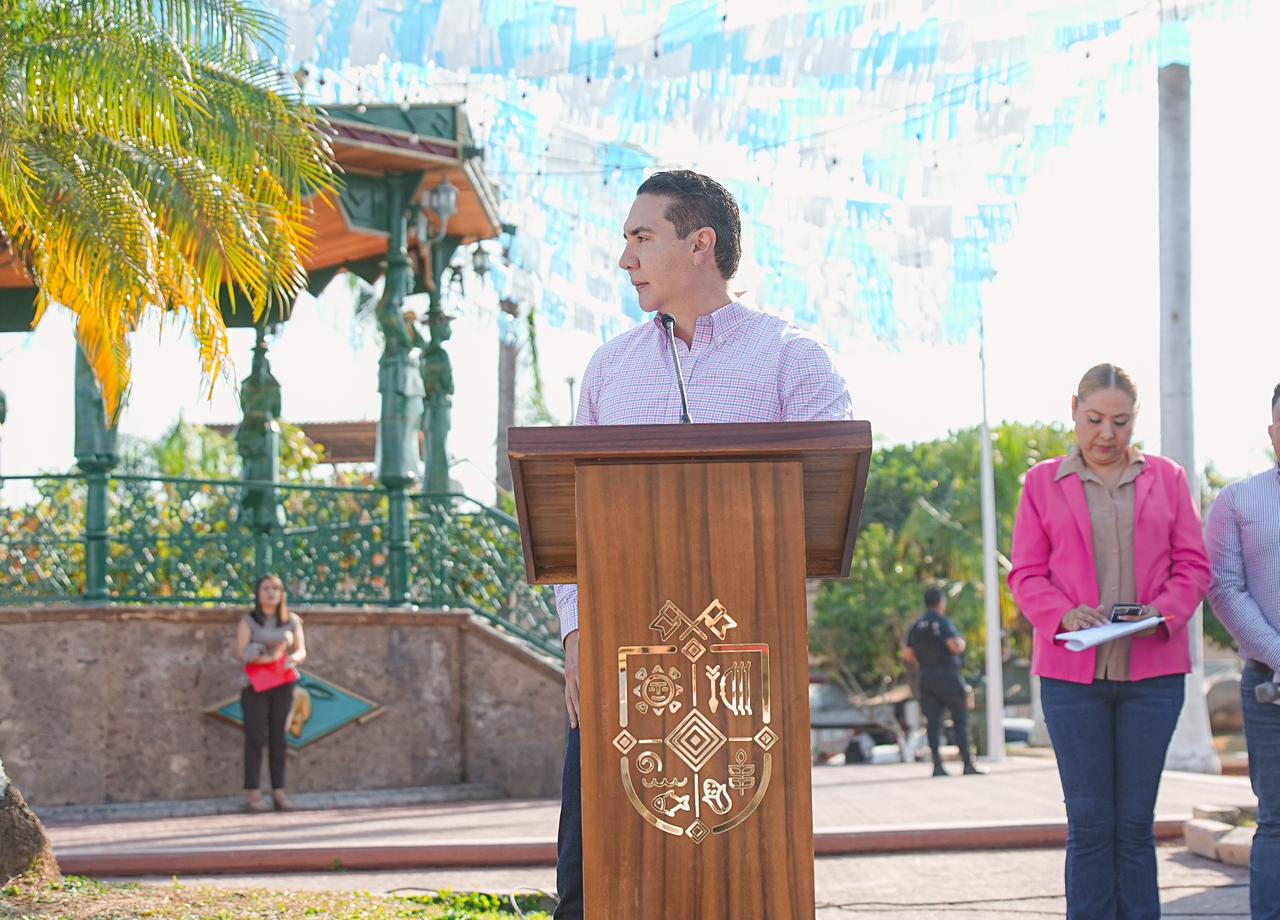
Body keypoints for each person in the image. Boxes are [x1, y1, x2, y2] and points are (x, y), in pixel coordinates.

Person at [550, 169, 852, 919]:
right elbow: (572, 523)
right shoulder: (609, 370)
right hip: (622, 663)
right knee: (591, 885)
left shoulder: (792, 359)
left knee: (742, 881)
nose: (625, 258)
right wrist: (577, 634)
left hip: (745, 671)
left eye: (641, 237)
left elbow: (829, 506)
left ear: (700, 244)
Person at [1009, 363, 1210, 920]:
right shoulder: (1042, 483)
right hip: (1073, 682)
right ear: (1074, 409)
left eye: (1120, 422)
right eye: (1095, 418)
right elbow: (1026, 573)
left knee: (1135, 825)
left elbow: (1194, 566)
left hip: (1153, 679)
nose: (1106, 433)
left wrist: (1160, 610)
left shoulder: (1168, 478)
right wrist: (1062, 613)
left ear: (1135, 419)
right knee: (1091, 823)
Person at [1205, 382, 1280, 920]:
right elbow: (1225, 588)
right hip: (1268, 686)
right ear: (1273, 432)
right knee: (1275, 820)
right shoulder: (1237, 501)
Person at [235, 574, 306, 813]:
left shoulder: (291, 620)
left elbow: (301, 650)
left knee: (279, 738)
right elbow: (241, 651)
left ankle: (279, 793)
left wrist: (291, 660)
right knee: (255, 737)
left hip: (282, 683)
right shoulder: (249, 621)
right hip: (255, 684)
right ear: (258, 593)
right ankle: (254, 794)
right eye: (266, 588)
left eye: (275, 588)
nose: (271, 593)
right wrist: (266, 656)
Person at [904, 587, 982, 776]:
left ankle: (937, 765)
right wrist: (961, 644)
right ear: (941, 603)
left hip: (927, 677)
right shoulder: (942, 622)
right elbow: (954, 645)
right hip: (948, 676)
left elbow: (908, 654)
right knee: (960, 720)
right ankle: (967, 764)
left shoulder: (917, 626)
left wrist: (925, 661)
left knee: (933, 723)